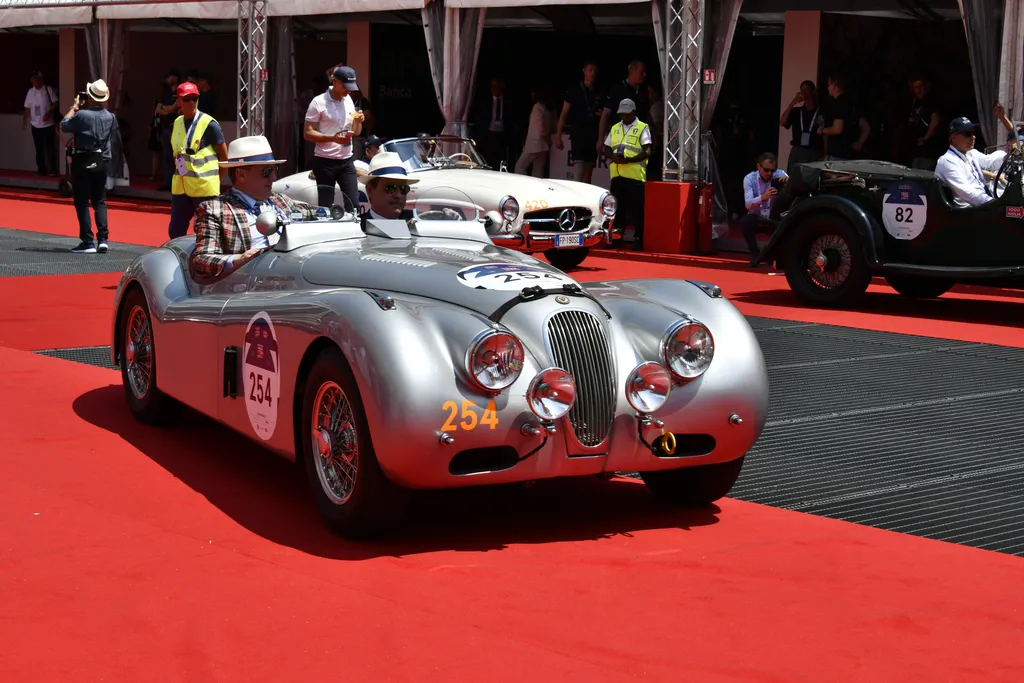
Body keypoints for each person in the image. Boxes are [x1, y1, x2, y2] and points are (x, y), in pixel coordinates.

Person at [190, 136, 318, 282]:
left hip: (297, 275)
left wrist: (337, 212)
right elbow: (201, 260)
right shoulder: (215, 209)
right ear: (241, 175)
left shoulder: (280, 200)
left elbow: (317, 213)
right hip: (253, 285)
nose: (274, 178)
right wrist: (238, 260)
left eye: (275, 170)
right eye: (267, 171)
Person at [60, 79, 119, 254]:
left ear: (91, 97)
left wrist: (75, 106)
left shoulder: (82, 115)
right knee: (99, 200)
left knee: (81, 200)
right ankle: (103, 239)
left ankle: (87, 241)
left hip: (83, 159)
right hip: (102, 159)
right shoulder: (110, 116)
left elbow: (64, 125)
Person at [167, 81, 229, 239]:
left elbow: (224, 157)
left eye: (195, 98)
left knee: (207, 232)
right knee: (176, 230)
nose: (191, 102)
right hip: (181, 187)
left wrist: (216, 179)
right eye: (186, 99)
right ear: (178, 101)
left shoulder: (210, 124)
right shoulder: (177, 123)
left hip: (204, 189)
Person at [304, 65, 365, 212]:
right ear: (335, 81)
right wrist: (333, 138)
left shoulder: (348, 100)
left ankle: (353, 225)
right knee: (326, 206)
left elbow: (356, 132)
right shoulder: (318, 102)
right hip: (325, 161)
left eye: (351, 87)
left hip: (346, 160)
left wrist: (358, 122)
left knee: (354, 205)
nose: (348, 91)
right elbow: (307, 133)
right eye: (346, 87)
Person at [935, 104, 1016, 208]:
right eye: (967, 134)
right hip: (969, 211)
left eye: (973, 133)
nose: (973, 137)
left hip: (981, 206)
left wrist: (1009, 155)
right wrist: (994, 204)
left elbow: (989, 161)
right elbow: (968, 193)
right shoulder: (947, 161)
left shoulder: (971, 153)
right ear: (954, 138)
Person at [603, 98, 652, 251]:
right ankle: (617, 238)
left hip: (635, 176)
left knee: (637, 211)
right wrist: (613, 157)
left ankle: (639, 240)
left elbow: (648, 151)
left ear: (633, 112)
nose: (624, 116)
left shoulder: (642, 127)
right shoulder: (615, 128)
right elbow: (606, 147)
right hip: (617, 175)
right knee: (617, 210)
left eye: (627, 114)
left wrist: (630, 160)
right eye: (622, 114)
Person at [554, 60, 603, 183]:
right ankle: (575, 194)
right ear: (584, 71)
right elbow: (564, 113)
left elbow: (605, 114)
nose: (593, 73)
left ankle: (585, 195)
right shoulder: (574, 90)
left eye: (595, 70)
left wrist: (601, 116)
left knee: (588, 172)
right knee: (579, 171)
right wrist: (558, 135)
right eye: (590, 70)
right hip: (578, 133)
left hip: (593, 134)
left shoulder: (599, 92)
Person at [741, 153, 789, 266]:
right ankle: (755, 253)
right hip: (757, 216)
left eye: (772, 170)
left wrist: (788, 183)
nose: (769, 173)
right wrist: (763, 197)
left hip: (774, 217)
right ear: (758, 166)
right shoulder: (749, 178)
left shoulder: (780, 175)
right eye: (766, 170)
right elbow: (748, 204)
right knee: (745, 221)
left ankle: (774, 254)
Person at [780, 80, 823, 172]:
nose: (804, 93)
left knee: (810, 178)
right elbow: (783, 122)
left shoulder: (820, 111)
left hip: (814, 151)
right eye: (802, 91)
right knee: (794, 177)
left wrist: (824, 154)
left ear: (813, 91)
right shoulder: (797, 111)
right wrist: (792, 103)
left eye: (806, 90)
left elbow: (826, 134)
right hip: (798, 150)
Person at [23, 70, 60, 176]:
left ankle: (53, 170)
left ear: (40, 79)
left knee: (50, 147)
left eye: (36, 79)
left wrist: (49, 113)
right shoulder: (30, 92)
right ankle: (41, 170)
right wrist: (24, 120)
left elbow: (55, 102)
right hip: (35, 124)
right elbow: (27, 107)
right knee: (39, 149)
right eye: (32, 80)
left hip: (48, 125)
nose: (34, 82)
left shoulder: (48, 89)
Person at [515, 85, 555, 177]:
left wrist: (546, 138)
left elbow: (541, 129)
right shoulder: (548, 108)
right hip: (544, 146)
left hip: (534, 144)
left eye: (533, 92)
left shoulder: (537, 107)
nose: (532, 94)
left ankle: (525, 183)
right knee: (538, 170)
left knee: (519, 167)